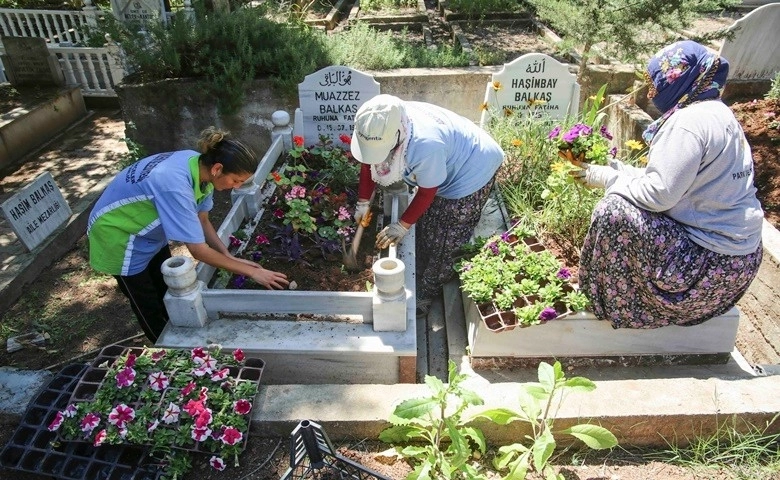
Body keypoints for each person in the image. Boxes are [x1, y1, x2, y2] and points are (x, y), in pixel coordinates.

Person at [571, 40, 764, 328]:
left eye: (656, 83)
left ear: (678, 79)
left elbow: (660, 195)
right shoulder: (716, 112)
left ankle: (616, 305)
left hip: (705, 271)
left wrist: (607, 178)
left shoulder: (687, 123)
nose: (651, 94)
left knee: (614, 211)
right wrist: (617, 168)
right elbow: (674, 181)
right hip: (736, 266)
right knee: (624, 201)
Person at [88, 127, 289, 342]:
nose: (237, 186)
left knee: (167, 287)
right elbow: (198, 250)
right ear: (218, 169)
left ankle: (180, 333)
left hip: (147, 231)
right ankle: (165, 349)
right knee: (147, 303)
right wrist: (251, 272)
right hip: (118, 236)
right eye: (236, 180)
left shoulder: (200, 167)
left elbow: (202, 219)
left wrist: (228, 256)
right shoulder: (175, 185)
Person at [350, 94, 504, 313]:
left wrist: (402, 226)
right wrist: (363, 201)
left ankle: (428, 290)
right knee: (428, 223)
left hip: (472, 167)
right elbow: (369, 162)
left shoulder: (424, 145)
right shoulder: (376, 124)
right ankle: (422, 268)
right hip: (449, 154)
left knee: (446, 236)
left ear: (397, 136)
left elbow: (426, 192)